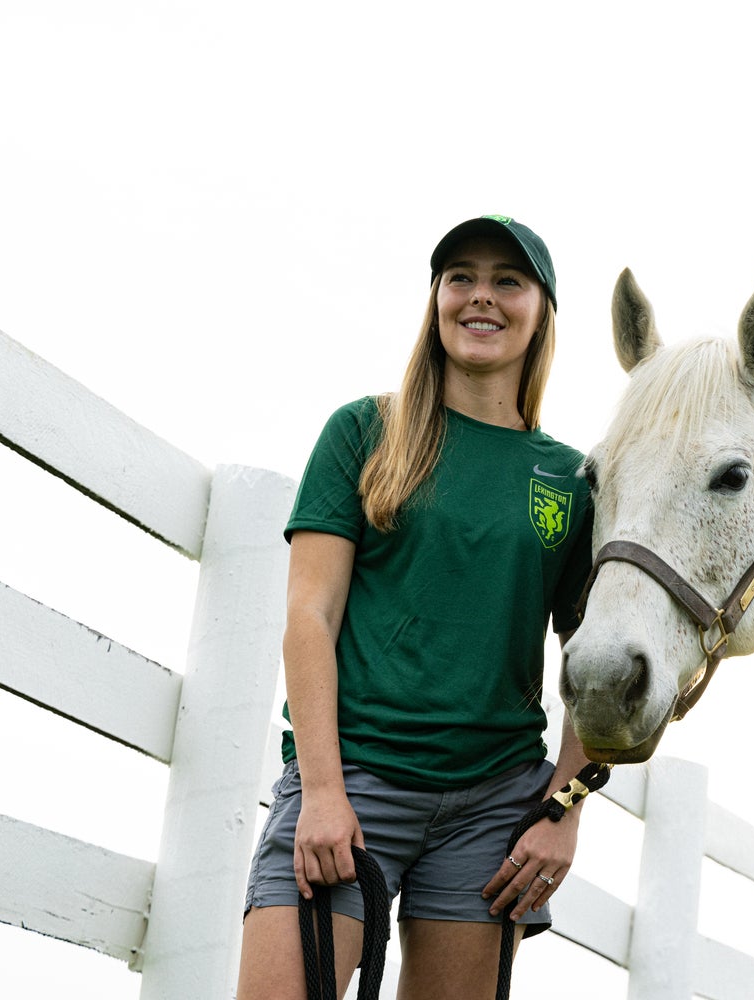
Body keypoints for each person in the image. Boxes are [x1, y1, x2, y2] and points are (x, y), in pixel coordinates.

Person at [236, 215, 594, 1000]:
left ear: (542, 311)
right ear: (436, 298)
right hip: (352, 778)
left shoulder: (574, 480)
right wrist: (321, 791)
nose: (481, 296)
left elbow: (597, 662)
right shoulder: (365, 431)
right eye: (461, 277)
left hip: (492, 808)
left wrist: (564, 808)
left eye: (508, 281)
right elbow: (310, 618)